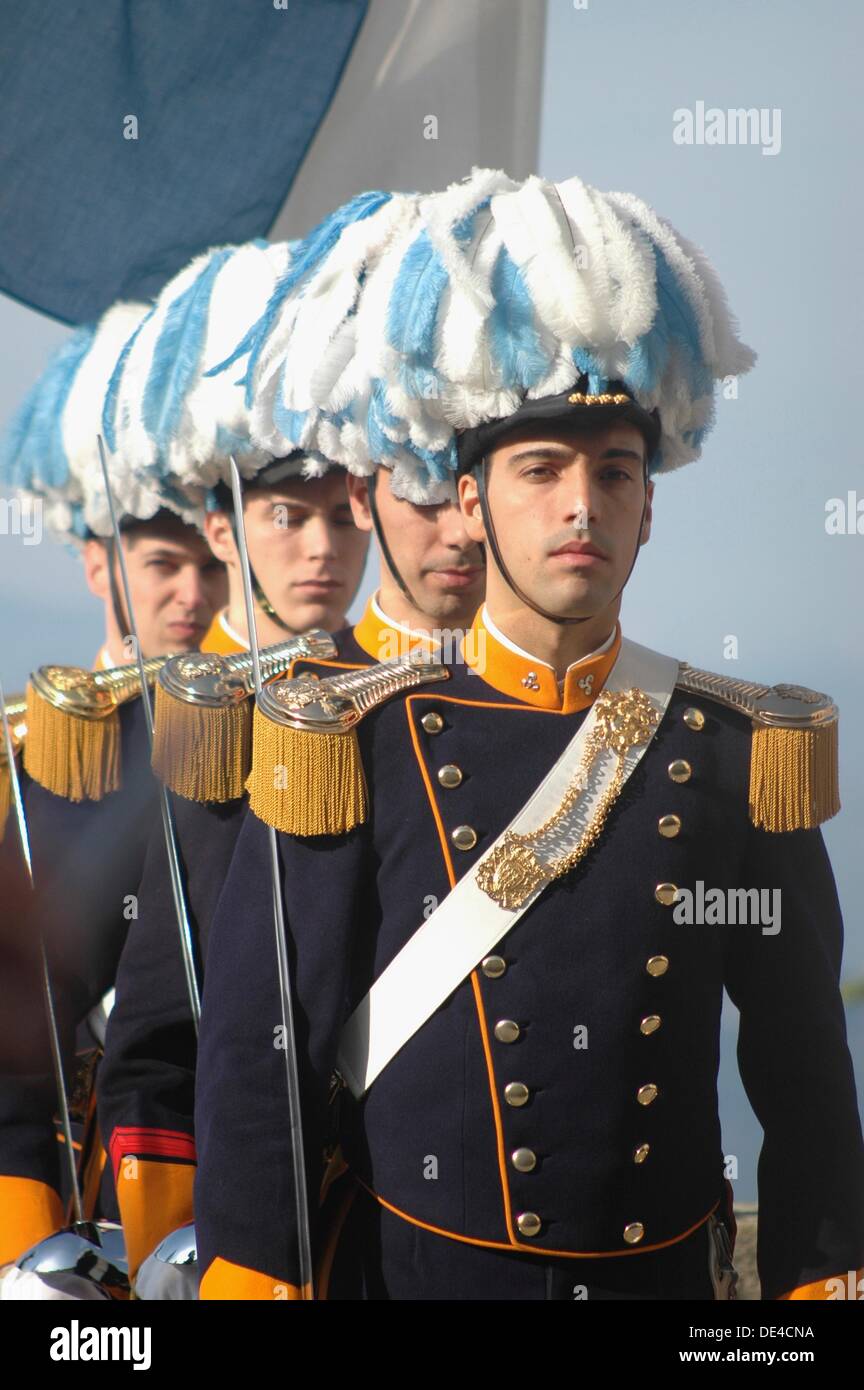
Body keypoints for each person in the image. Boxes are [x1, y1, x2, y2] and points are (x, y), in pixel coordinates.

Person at [191, 168, 864, 1301]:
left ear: (651, 503)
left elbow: (801, 1063)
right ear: (468, 503)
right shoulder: (352, 744)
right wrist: (255, 1279)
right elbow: (268, 1060)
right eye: (540, 472)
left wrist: (816, 1284)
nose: (580, 507)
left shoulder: (739, 750)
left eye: (615, 474)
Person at [0, 305, 227, 1282]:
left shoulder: (254, 744)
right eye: (163, 565)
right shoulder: (13, 755)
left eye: (213, 566)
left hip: (212, 1204)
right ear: (99, 562)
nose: (193, 595)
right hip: (45, 1212)